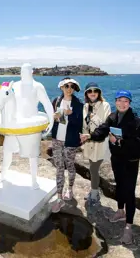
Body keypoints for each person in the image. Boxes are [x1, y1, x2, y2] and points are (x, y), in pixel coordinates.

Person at [80, 90, 140, 245]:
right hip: (117, 159)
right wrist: (90, 135)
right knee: (119, 187)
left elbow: (138, 142)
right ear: (116, 102)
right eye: (119, 100)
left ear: (129, 103)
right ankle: (120, 211)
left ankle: (128, 227)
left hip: (130, 161)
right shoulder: (113, 117)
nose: (122, 104)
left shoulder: (135, 121)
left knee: (129, 192)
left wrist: (118, 141)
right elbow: (103, 129)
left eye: (126, 101)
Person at [50, 77, 84, 213]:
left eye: (72, 86)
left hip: (70, 141)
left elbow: (80, 124)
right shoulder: (56, 101)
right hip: (57, 139)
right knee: (59, 167)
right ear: (61, 87)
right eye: (66, 86)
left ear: (74, 89)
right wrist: (53, 117)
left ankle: (69, 189)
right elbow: (53, 119)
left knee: (69, 166)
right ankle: (59, 197)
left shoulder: (79, 104)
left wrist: (73, 114)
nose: (69, 88)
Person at [81, 82, 111, 207]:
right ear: (86, 94)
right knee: (92, 169)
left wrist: (94, 117)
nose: (92, 93)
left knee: (94, 169)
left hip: (100, 142)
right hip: (89, 143)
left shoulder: (105, 105)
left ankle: (94, 194)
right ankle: (94, 190)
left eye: (95, 90)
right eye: (89, 91)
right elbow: (84, 125)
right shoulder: (85, 106)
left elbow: (106, 125)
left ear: (99, 93)